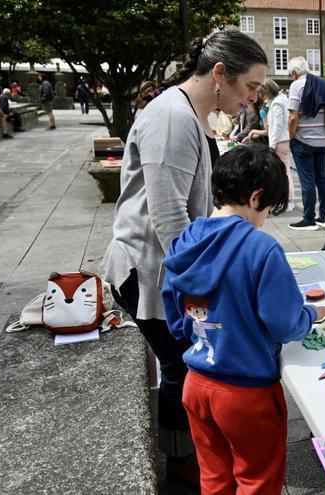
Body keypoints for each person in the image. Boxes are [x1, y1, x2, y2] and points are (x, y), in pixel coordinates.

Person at [102, 30, 267, 484]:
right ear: (219, 74)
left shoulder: (192, 113)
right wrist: (211, 279)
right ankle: (181, 464)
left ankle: (188, 455)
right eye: (250, 87)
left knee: (183, 362)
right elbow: (168, 216)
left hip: (168, 267)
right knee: (182, 364)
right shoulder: (173, 117)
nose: (252, 99)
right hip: (149, 268)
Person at [161, 144, 325, 493]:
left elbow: (179, 320)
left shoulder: (185, 242)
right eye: (269, 209)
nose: (265, 218)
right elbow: (284, 322)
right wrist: (311, 314)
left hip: (197, 384)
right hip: (246, 393)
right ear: (256, 197)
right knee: (258, 481)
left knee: (214, 477)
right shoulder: (261, 248)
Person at [287, 56, 325, 231]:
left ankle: (308, 218)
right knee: (322, 178)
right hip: (321, 139)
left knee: (307, 179)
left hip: (303, 139)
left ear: (294, 72)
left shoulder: (297, 85)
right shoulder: (323, 84)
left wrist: (291, 137)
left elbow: (293, 117)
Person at [258, 80, 296, 213]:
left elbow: (277, 126)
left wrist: (272, 145)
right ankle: (287, 200)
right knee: (285, 171)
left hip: (280, 141)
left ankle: (289, 201)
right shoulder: (281, 100)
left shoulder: (277, 103)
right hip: (282, 140)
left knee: (284, 171)